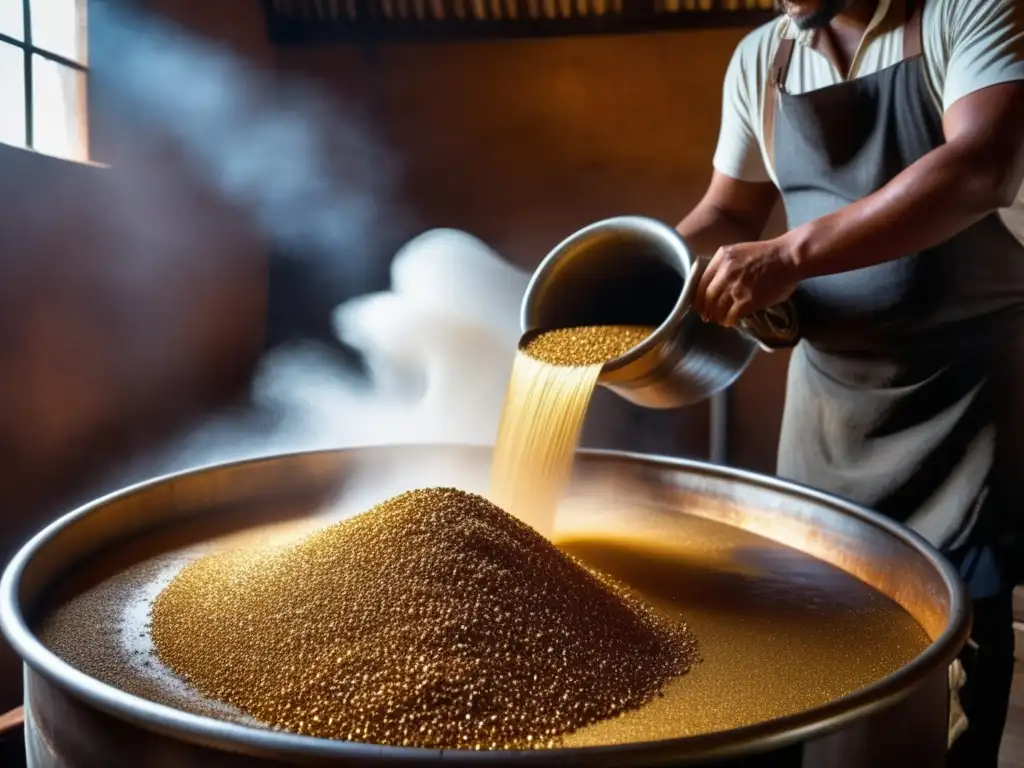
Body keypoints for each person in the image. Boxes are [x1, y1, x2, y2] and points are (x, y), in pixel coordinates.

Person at [681, 0, 1024, 764]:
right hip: (828, 407)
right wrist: (659, 270)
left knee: (949, 652)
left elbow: (982, 166)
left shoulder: (966, 15)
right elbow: (729, 208)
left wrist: (791, 257)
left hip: (961, 398)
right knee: (813, 641)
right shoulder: (763, 58)